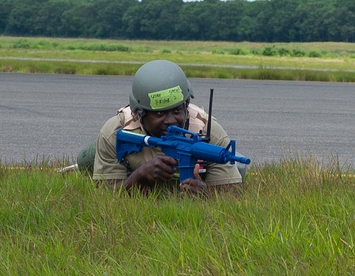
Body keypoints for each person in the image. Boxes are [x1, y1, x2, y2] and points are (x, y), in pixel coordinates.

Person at [87, 59, 242, 195]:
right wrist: (138, 176)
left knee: (238, 166)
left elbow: (230, 195)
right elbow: (105, 195)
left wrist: (205, 195)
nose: (170, 121)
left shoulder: (207, 130)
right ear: (139, 113)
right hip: (118, 153)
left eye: (177, 111)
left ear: (186, 105)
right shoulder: (115, 132)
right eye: (159, 113)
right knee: (87, 159)